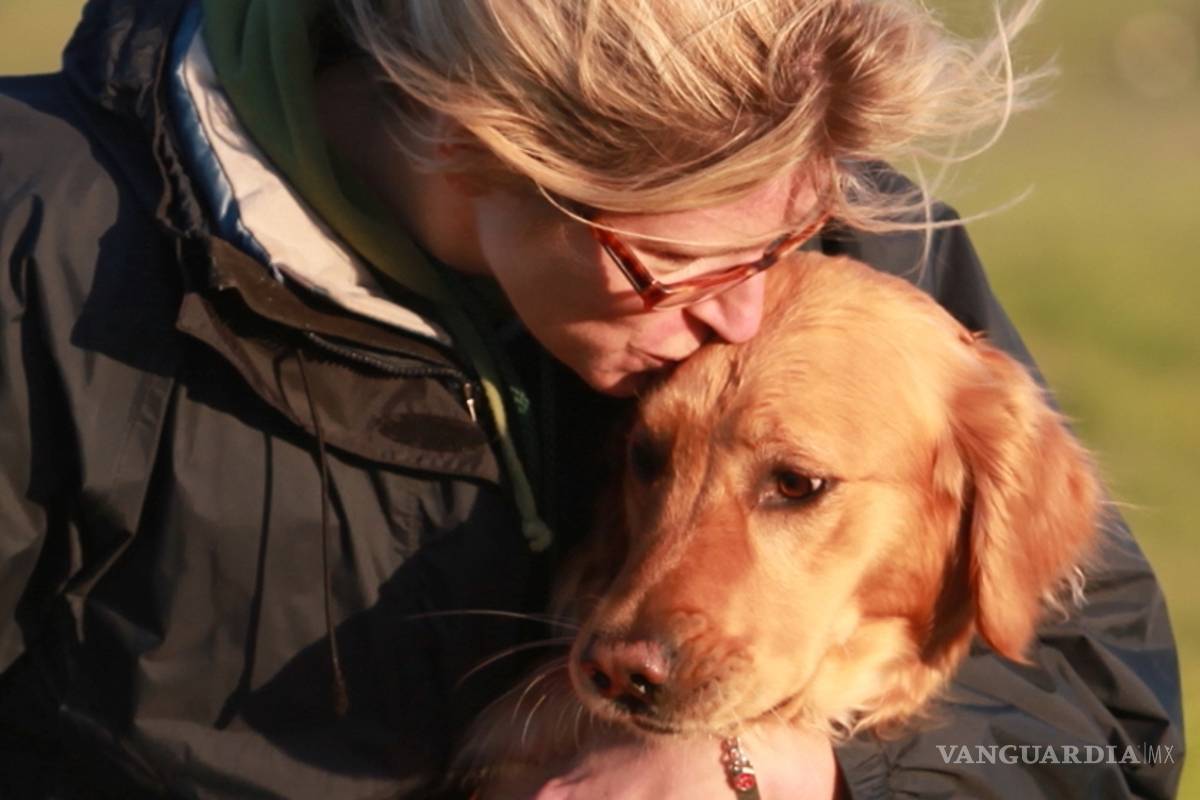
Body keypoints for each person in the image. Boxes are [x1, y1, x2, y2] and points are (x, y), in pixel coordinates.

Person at [0, 0, 1182, 797]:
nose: (741, 316)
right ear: (475, 148)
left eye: (787, 237)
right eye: (678, 271)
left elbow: (1105, 715)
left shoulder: (817, 227)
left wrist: (789, 771)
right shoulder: (39, 250)